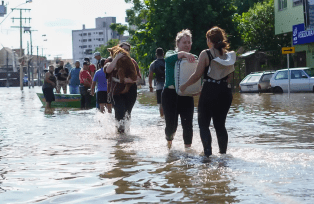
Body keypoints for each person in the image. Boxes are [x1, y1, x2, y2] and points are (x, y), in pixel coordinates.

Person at [180, 26, 234, 157]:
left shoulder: (206, 53)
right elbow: (231, 78)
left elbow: (197, 75)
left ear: (209, 40)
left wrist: (184, 85)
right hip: (225, 93)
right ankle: (223, 155)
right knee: (220, 125)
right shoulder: (229, 56)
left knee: (203, 125)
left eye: (207, 39)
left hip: (209, 91)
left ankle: (207, 155)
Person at [162, 29, 197, 148]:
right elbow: (168, 59)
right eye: (184, 42)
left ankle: (188, 151)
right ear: (178, 44)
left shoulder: (194, 58)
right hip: (170, 95)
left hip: (186, 94)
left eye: (189, 42)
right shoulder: (170, 53)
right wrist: (183, 54)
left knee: (188, 124)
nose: (187, 45)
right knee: (172, 126)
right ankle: (169, 142)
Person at [105, 42, 142, 133]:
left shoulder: (132, 61)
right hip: (116, 92)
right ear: (118, 50)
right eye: (123, 49)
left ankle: (126, 133)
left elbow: (138, 78)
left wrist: (127, 80)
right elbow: (108, 70)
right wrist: (117, 58)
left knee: (127, 113)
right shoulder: (110, 61)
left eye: (127, 50)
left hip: (130, 91)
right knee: (120, 112)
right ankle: (119, 134)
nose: (125, 51)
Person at [149, 48, 165, 117]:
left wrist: (150, 86)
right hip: (169, 86)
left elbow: (150, 76)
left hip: (159, 87)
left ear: (156, 54)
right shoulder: (167, 62)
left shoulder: (153, 64)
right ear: (163, 54)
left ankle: (161, 118)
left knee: (161, 104)